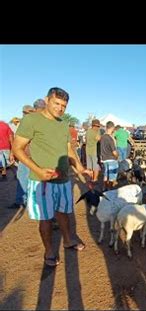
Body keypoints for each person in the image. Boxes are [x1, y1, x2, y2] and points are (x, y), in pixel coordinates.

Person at [12, 87, 92, 267]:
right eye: (57, 103)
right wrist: (38, 170)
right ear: (47, 100)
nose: (60, 108)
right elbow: (17, 149)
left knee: (63, 213)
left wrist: (80, 168)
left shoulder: (63, 124)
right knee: (46, 217)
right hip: (42, 181)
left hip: (63, 179)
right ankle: (49, 251)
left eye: (63, 106)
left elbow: (69, 149)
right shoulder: (32, 120)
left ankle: (68, 240)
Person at [100, 121, 119, 190]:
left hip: (104, 159)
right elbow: (114, 152)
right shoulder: (110, 139)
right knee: (111, 176)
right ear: (112, 128)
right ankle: (110, 190)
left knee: (106, 174)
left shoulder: (102, 137)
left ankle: (104, 188)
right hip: (111, 159)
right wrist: (117, 156)